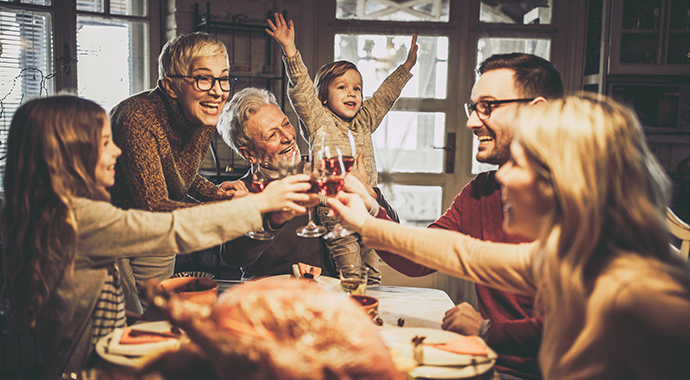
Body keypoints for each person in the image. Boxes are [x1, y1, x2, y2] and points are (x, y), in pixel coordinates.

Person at [329, 92, 690, 380]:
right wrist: (368, 219)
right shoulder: (573, 255)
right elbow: (462, 253)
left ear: (564, 181)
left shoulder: (640, 292)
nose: (501, 177)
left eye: (518, 162)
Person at [0, 96, 313, 380]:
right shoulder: (77, 219)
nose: (117, 151)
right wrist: (258, 204)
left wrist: (151, 320)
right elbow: (172, 228)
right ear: (71, 154)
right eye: (106, 142)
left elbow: (85, 310)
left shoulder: (48, 211)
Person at [371, 53, 562, 380]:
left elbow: (570, 328)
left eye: (488, 106)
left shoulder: (580, 196)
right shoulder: (482, 190)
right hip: (486, 364)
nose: (472, 121)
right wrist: (372, 210)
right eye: (472, 108)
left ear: (538, 112)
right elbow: (421, 259)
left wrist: (487, 329)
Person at [265, 13, 417, 283]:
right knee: (351, 271)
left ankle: (370, 313)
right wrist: (289, 49)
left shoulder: (364, 120)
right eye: (342, 87)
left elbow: (383, 96)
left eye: (357, 88)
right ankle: (351, 306)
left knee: (372, 271)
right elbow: (301, 89)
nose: (352, 93)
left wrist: (405, 68)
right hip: (334, 207)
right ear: (323, 96)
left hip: (367, 205)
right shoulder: (318, 118)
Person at [108, 32, 246, 314]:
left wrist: (215, 192)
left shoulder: (203, 113)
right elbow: (154, 204)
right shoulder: (137, 118)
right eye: (203, 78)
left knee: (159, 315)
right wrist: (229, 210)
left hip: (158, 231)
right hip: (114, 229)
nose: (218, 91)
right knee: (127, 320)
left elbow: (176, 171)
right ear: (170, 86)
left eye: (223, 78)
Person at [216, 87, 398, 281]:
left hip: (332, 298)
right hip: (269, 300)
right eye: (272, 135)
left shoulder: (325, 171)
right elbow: (233, 257)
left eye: (286, 124)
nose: (288, 137)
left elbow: (393, 234)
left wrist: (372, 195)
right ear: (249, 154)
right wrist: (271, 218)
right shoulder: (242, 192)